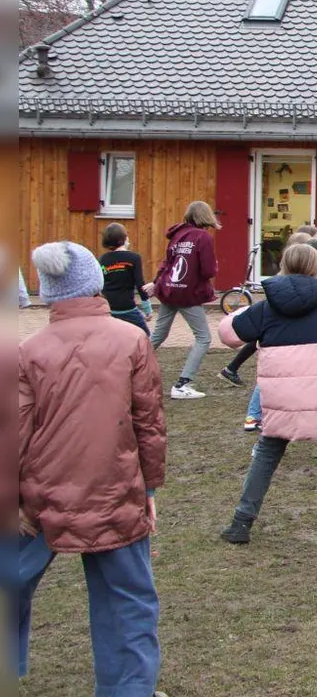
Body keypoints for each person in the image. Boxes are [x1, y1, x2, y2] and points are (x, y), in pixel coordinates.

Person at [15, 240, 166, 696]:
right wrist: (149, 489)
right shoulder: (132, 339)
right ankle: (129, 688)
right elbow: (149, 423)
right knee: (128, 600)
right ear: (95, 282)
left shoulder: (28, 350)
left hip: (42, 495)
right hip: (113, 489)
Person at [218, 243, 317, 545]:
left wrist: (243, 311)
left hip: (280, 400)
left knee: (267, 454)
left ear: (283, 266)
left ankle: (241, 523)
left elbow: (228, 334)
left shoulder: (266, 308)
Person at [239, 233, 317, 433]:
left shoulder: (278, 291)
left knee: (273, 379)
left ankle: (255, 415)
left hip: (284, 347)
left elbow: (235, 330)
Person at [147, 200, 220, 399]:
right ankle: (183, 384)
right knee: (203, 338)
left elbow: (167, 263)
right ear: (206, 216)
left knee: (158, 335)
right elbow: (208, 270)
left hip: (169, 289)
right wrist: (215, 265)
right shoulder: (203, 237)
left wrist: (156, 282)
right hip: (188, 293)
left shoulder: (178, 235)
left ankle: (127, 368)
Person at [99, 223, 153, 333]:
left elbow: (100, 283)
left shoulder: (103, 259)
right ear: (124, 238)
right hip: (127, 308)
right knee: (145, 336)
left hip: (109, 308)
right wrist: (147, 309)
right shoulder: (134, 258)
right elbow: (140, 284)